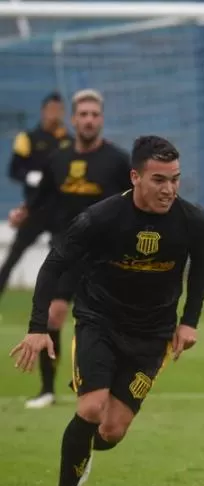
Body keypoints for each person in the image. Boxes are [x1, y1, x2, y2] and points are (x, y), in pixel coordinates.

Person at [9, 135, 204, 486]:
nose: (169, 189)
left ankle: (83, 455)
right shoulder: (101, 218)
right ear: (135, 177)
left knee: (111, 431)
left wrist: (189, 321)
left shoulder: (190, 219)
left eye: (175, 179)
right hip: (98, 322)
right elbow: (52, 266)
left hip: (152, 335)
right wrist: (38, 328)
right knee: (90, 408)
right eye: (159, 179)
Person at [7, 88, 131, 409]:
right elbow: (44, 196)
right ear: (73, 119)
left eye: (94, 115)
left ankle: (107, 383)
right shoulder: (58, 159)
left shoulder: (117, 161)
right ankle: (47, 389)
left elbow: (135, 200)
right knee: (53, 315)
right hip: (67, 249)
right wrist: (25, 211)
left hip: (106, 256)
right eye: (83, 115)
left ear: (101, 119)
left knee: (109, 324)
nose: (89, 120)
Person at [1, 92, 71, 304]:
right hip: (35, 207)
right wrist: (29, 177)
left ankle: (56, 300)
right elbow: (13, 170)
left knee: (61, 256)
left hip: (61, 209)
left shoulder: (69, 141)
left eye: (58, 110)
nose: (54, 114)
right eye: (51, 110)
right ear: (43, 112)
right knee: (15, 253)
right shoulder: (28, 138)